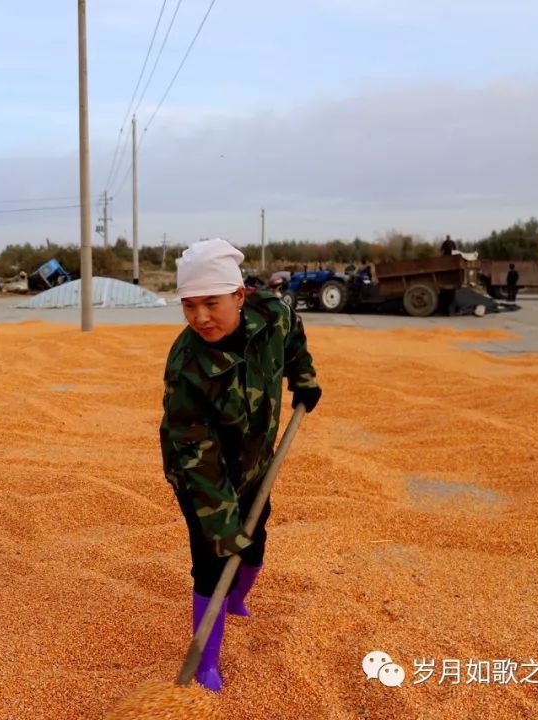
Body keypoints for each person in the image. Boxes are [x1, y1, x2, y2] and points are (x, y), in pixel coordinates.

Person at [159, 238, 321, 692]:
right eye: (189, 306)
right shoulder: (187, 365)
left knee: (254, 541)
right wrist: (221, 525)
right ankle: (207, 660)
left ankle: (237, 600)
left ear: (239, 296)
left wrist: (303, 377)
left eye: (211, 303)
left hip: (254, 461)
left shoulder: (272, 313)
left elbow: (294, 334)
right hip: (199, 473)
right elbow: (195, 452)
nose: (200, 317)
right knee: (213, 558)